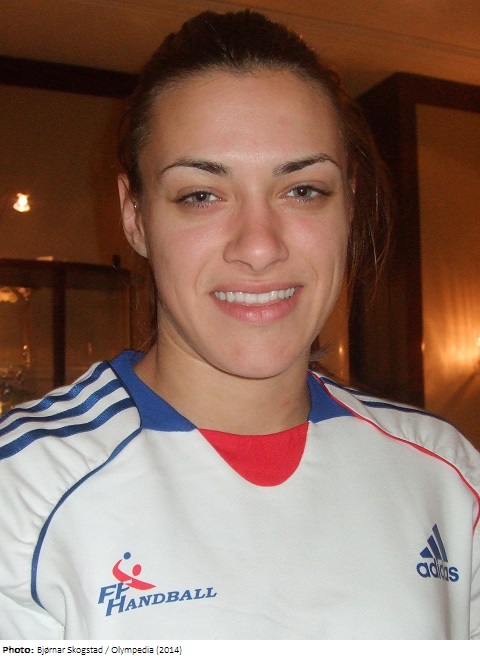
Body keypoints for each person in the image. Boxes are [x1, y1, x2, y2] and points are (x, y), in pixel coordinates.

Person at [0, 9, 479, 641]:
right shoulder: (23, 493)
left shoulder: (449, 476)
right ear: (135, 216)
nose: (258, 246)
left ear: (349, 206)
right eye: (200, 195)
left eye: (303, 190)